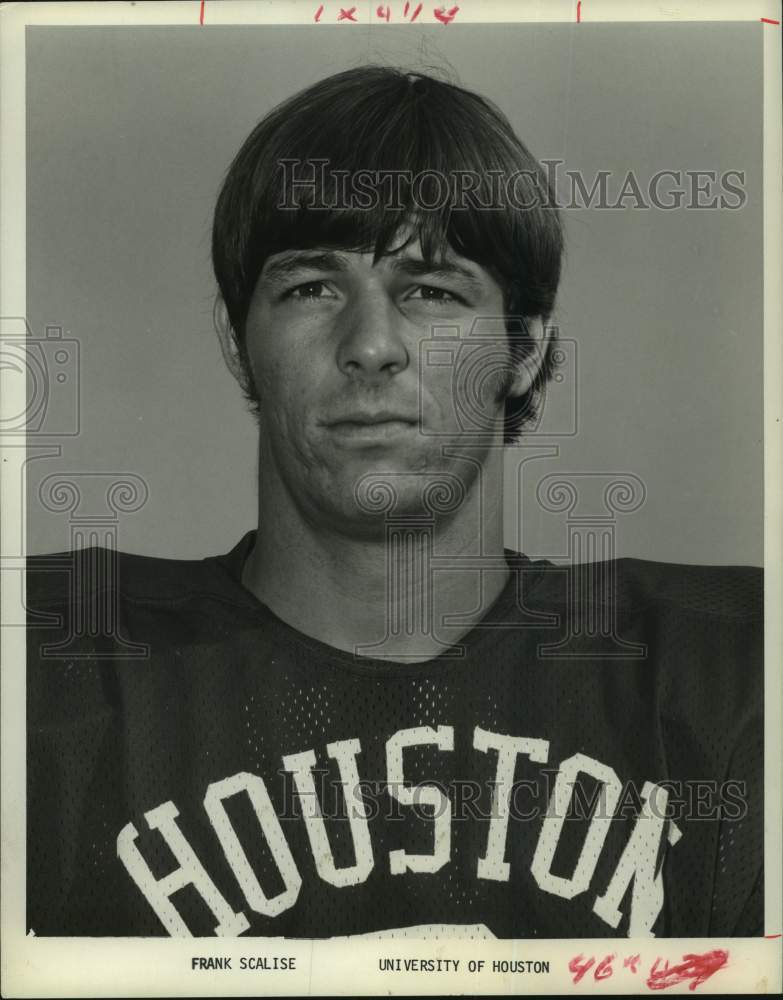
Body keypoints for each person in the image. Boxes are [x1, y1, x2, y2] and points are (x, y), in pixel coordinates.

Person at [26, 66, 762, 939]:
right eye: (311, 287)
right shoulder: (50, 660)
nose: (371, 345)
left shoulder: (727, 671)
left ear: (521, 350)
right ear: (237, 343)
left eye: (432, 290)